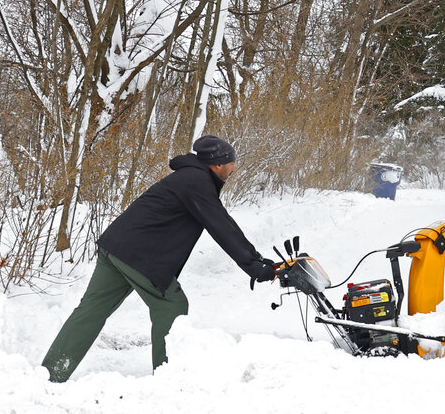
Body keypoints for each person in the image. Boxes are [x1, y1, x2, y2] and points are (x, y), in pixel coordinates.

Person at [41, 135, 277, 382]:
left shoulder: (190, 178)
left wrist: (256, 259)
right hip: (139, 254)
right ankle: (169, 377)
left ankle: (51, 372)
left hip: (116, 247)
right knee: (171, 306)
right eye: (231, 163)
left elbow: (223, 220)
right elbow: (220, 226)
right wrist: (252, 265)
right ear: (217, 165)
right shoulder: (196, 181)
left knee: (90, 310)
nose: (234, 168)